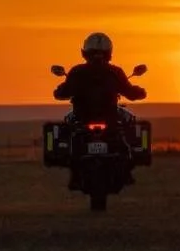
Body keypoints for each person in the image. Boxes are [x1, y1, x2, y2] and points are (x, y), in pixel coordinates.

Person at [52, 32, 147, 187]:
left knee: (69, 130)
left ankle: (76, 174)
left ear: (84, 52)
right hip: (109, 119)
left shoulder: (77, 72)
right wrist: (140, 91)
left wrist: (61, 89)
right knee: (128, 129)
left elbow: (62, 93)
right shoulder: (115, 72)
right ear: (109, 52)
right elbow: (130, 92)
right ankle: (127, 172)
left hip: (82, 118)